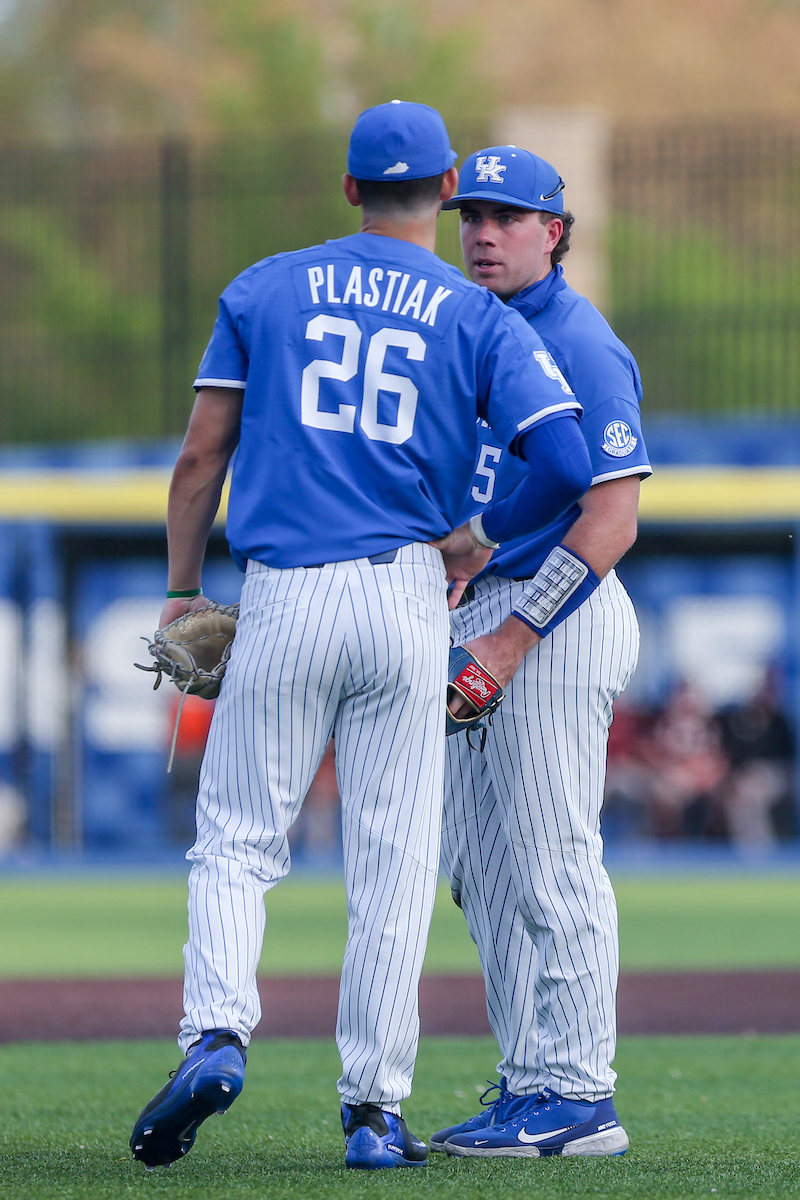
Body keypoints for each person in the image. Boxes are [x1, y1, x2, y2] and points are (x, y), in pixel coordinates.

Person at [129, 107, 594, 1172]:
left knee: (239, 840)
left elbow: (203, 457)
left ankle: (215, 1034)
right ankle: (374, 1114)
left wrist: (179, 588)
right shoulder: (478, 316)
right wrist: (478, 535)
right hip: (406, 593)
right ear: (440, 188)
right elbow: (566, 465)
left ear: (346, 190)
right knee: (390, 864)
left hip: (287, 587)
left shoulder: (262, 287)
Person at [429, 146, 652, 1159]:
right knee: (480, 868)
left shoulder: (577, 340)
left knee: (551, 861)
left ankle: (579, 1094)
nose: (482, 233)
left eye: (507, 217)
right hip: (489, 603)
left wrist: (511, 641)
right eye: (470, 214)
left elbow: (608, 520)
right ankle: (529, 1082)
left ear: (553, 230)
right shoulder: (473, 329)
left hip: (555, 613)